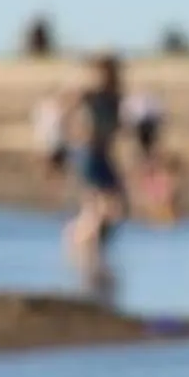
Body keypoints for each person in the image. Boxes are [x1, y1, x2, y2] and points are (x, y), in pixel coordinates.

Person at [67, 54, 129, 287]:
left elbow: (118, 127)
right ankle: (86, 255)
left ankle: (88, 249)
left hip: (102, 154)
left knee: (110, 207)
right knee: (104, 207)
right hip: (90, 153)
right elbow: (68, 103)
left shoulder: (115, 97)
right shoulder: (91, 94)